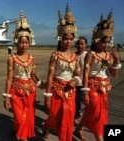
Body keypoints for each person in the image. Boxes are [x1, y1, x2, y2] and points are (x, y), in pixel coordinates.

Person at [74, 10, 122, 141]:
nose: (105, 44)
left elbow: (113, 74)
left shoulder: (108, 55)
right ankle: (100, 138)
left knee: (93, 112)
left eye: (108, 42)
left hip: (104, 87)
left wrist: (116, 61)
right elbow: (86, 73)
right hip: (92, 86)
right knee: (97, 113)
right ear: (97, 40)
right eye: (103, 42)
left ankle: (78, 129)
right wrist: (84, 92)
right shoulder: (91, 54)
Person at [41, 5, 81, 141]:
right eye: (66, 39)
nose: (68, 41)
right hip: (56, 90)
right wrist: (47, 96)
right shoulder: (55, 55)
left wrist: (75, 81)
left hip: (70, 91)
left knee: (67, 120)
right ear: (60, 39)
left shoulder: (75, 57)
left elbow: (78, 74)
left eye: (70, 39)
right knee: (54, 116)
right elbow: (50, 76)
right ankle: (46, 126)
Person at [3, 11, 45, 141]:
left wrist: (40, 83)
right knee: (21, 119)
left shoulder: (32, 58)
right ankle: (18, 130)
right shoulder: (12, 58)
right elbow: (9, 78)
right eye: (22, 42)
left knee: (27, 119)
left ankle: (18, 132)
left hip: (30, 93)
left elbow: (33, 75)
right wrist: (7, 97)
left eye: (27, 42)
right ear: (16, 42)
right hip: (16, 92)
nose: (24, 45)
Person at [74, 36, 88, 125]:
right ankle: (76, 117)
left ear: (86, 45)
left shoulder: (88, 55)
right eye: (78, 44)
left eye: (82, 44)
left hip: (85, 82)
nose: (80, 46)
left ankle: (79, 114)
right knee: (77, 101)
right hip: (76, 83)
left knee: (85, 101)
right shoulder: (73, 55)